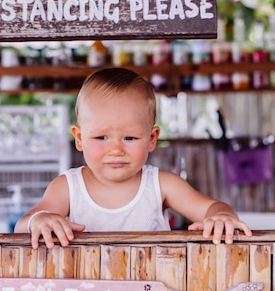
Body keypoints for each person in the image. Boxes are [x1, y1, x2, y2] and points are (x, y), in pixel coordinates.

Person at [14, 67, 252, 249]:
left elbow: (213, 207)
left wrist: (222, 217)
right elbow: (21, 227)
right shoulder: (67, 187)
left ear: (151, 138)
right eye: (101, 138)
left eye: (129, 138)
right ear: (79, 138)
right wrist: (40, 219)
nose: (116, 150)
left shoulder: (162, 185)